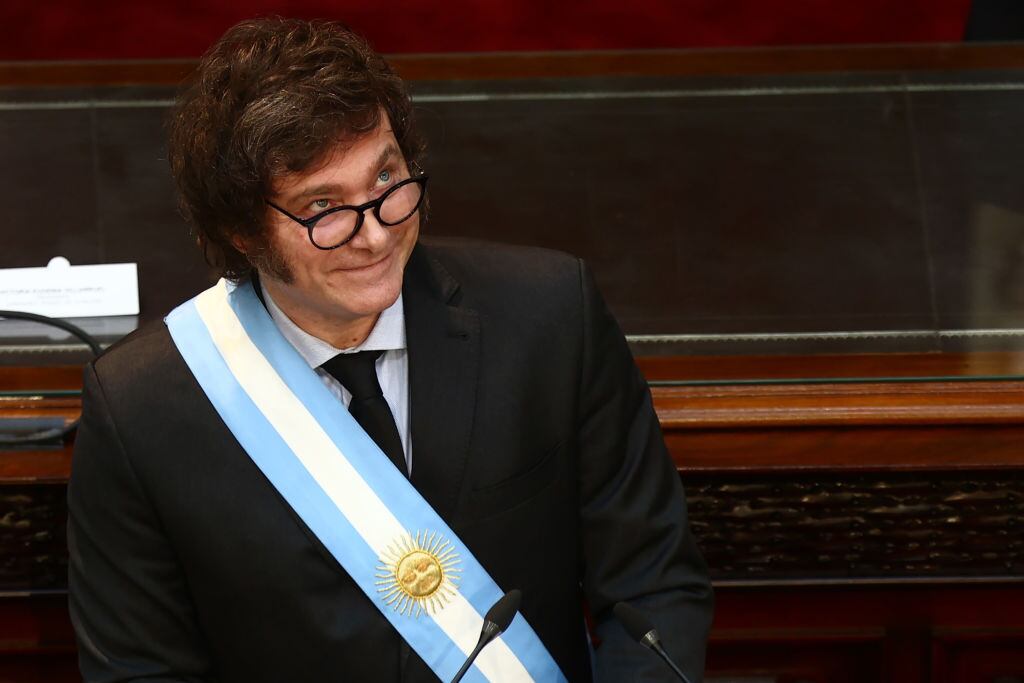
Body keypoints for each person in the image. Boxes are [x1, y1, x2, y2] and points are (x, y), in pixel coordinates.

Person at [67, 17, 713, 683]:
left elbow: (653, 583)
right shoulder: (140, 410)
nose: (375, 236)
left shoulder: (552, 318)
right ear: (239, 230)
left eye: (386, 182)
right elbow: (139, 670)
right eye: (324, 207)